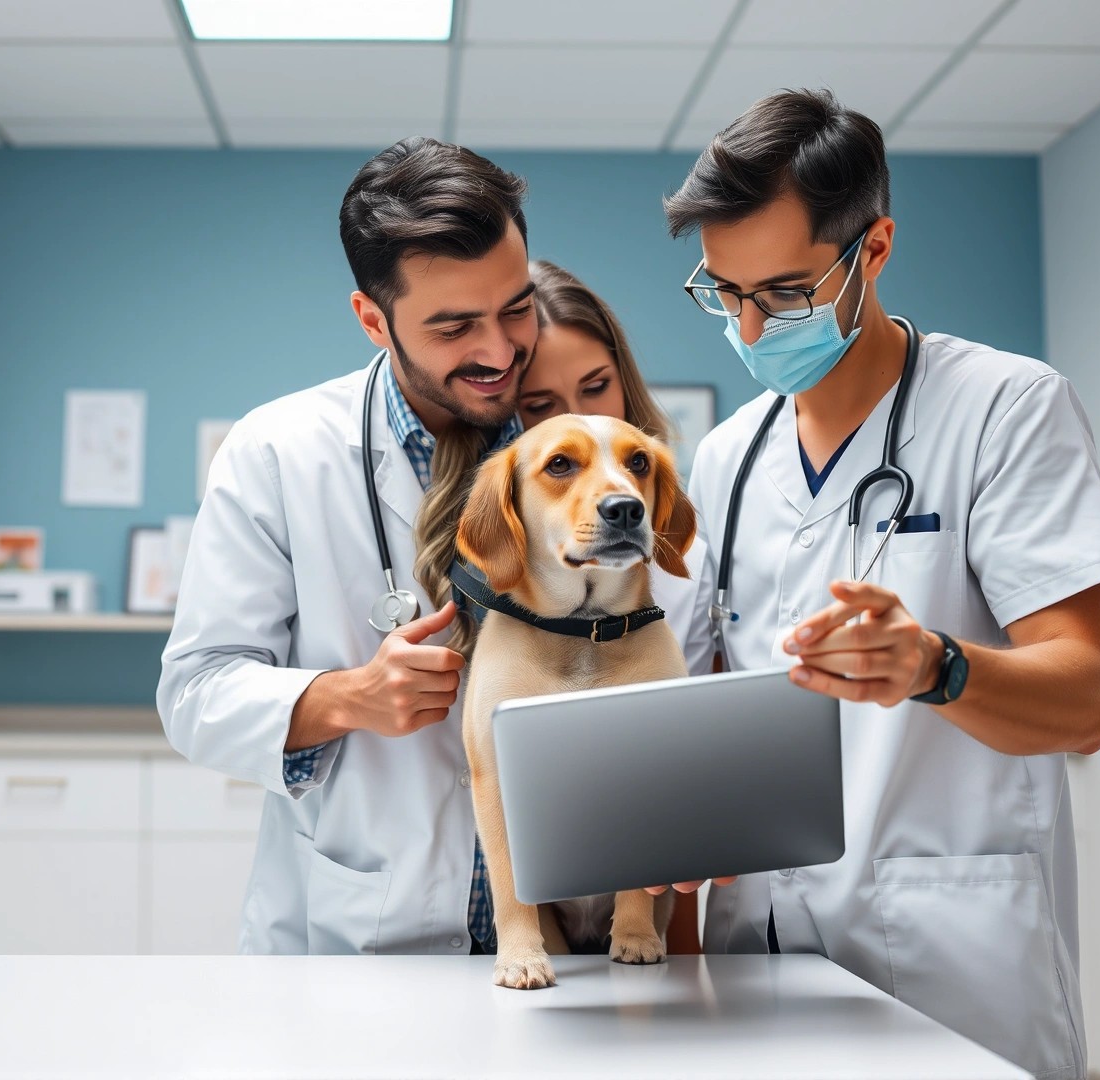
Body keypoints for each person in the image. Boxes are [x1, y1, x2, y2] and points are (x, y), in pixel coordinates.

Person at [664, 90, 1100, 1080]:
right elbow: (703, 712)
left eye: (787, 294)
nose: (753, 331)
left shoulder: (1005, 410)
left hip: (954, 971)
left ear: (873, 249)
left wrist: (933, 665)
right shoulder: (725, 457)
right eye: (726, 293)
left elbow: (1090, 701)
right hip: (758, 961)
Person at [158, 137, 538, 955]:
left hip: (555, 936)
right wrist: (349, 697)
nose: (500, 351)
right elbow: (194, 694)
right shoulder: (278, 451)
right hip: (356, 937)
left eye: (516, 307)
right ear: (374, 320)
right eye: (454, 327)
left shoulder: (571, 439)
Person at [516, 259, 715, 679]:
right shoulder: (496, 537)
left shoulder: (686, 549)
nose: (579, 418)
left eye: (596, 387)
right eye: (540, 406)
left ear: (623, 378)